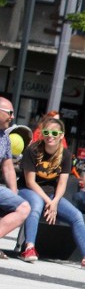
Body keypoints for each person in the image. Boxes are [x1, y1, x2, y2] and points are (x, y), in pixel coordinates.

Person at [18, 117, 85, 271]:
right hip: (29, 191)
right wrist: (49, 202)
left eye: (55, 133)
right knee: (35, 205)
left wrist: (54, 202)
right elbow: (30, 182)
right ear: (42, 133)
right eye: (47, 132)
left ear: (61, 135)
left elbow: (62, 184)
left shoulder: (66, 155)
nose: (50, 136)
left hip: (51, 196)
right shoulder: (32, 150)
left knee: (76, 215)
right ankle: (29, 248)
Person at [0, 97, 30, 258]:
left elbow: (8, 167)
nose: (12, 117)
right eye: (9, 113)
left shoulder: (4, 138)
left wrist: (13, 192)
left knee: (23, 208)